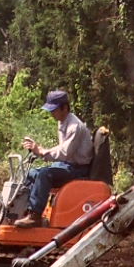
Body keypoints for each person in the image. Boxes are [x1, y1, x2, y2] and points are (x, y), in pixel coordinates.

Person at [14, 89, 93, 227]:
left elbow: (65, 152)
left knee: (45, 174)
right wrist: (40, 151)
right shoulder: (62, 121)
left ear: (65, 108)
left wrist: (43, 151)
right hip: (67, 165)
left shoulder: (75, 126)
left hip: (78, 170)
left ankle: (35, 216)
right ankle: (23, 211)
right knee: (32, 173)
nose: (51, 113)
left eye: (54, 110)